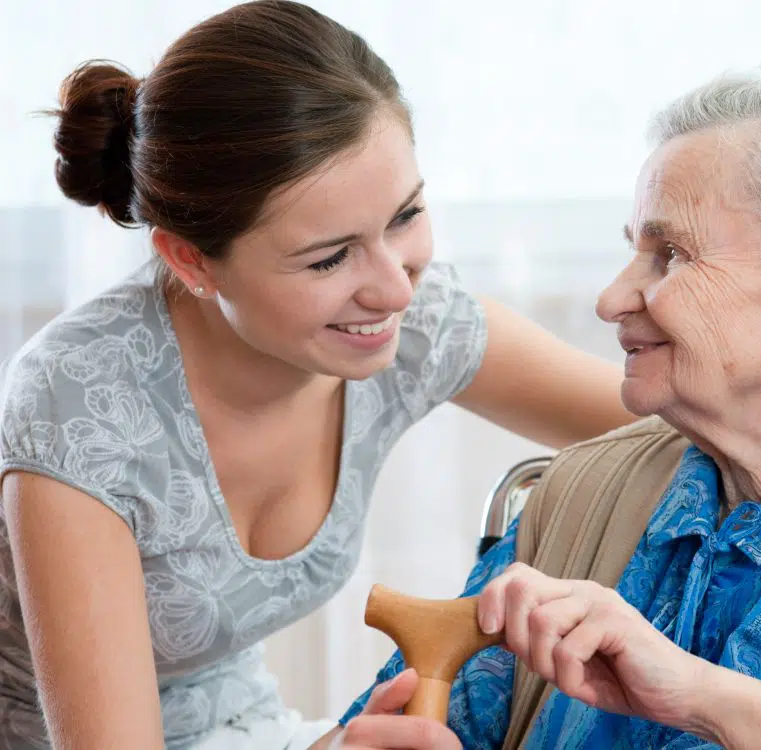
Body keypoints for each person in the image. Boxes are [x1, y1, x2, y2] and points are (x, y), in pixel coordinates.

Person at [0, 2, 640, 748]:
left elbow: (680, 423)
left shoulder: (413, 323)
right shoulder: (79, 404)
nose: (395, 290)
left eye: (405, 215)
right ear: (190, 260)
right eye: (329, 258)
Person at [327, 53, 761, 749]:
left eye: (672, 255)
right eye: (635, 250)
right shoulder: (580, 496)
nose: (610, 300)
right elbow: (395, 728)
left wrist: (698, 696)